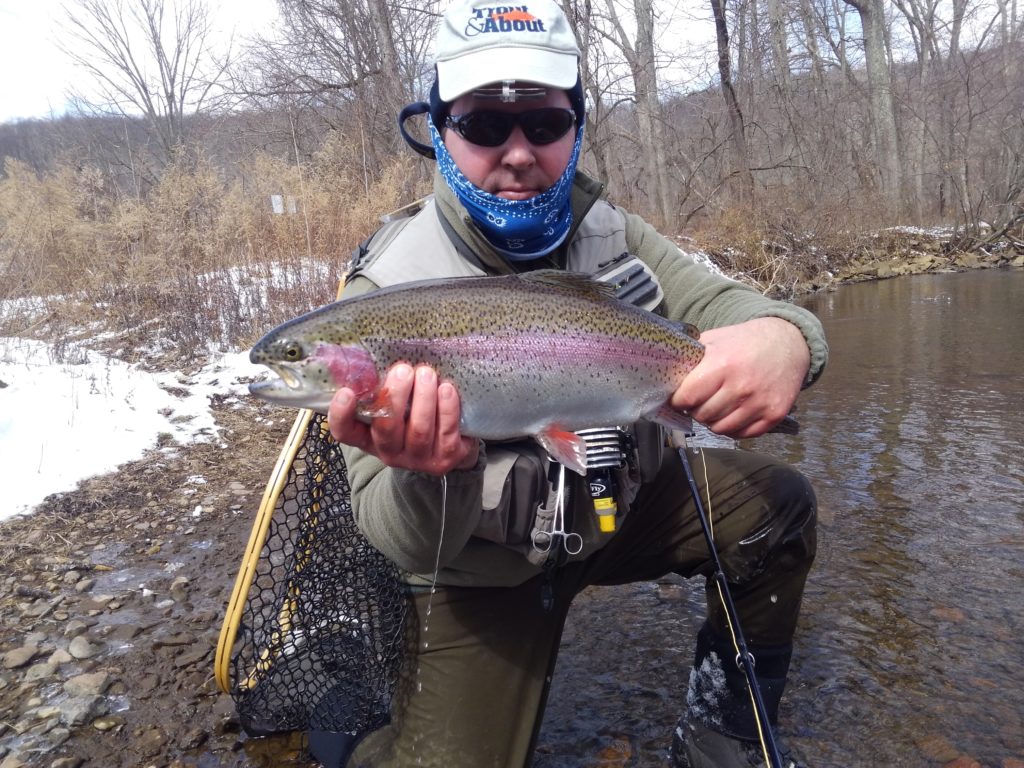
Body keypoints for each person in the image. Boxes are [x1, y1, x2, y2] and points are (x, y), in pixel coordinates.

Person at [327, 1, 827, 766]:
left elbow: (735, 310)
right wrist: (441, 471)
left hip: (610, 508)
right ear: (438, 130)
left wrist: (788, 338)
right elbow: (395, 540)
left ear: (578, 125)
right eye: (485, 126)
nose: (519, 152)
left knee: (777, 507)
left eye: (545, 124)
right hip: (477, 569)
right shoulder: (380, 297)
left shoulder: (611, 232)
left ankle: (722, 731)